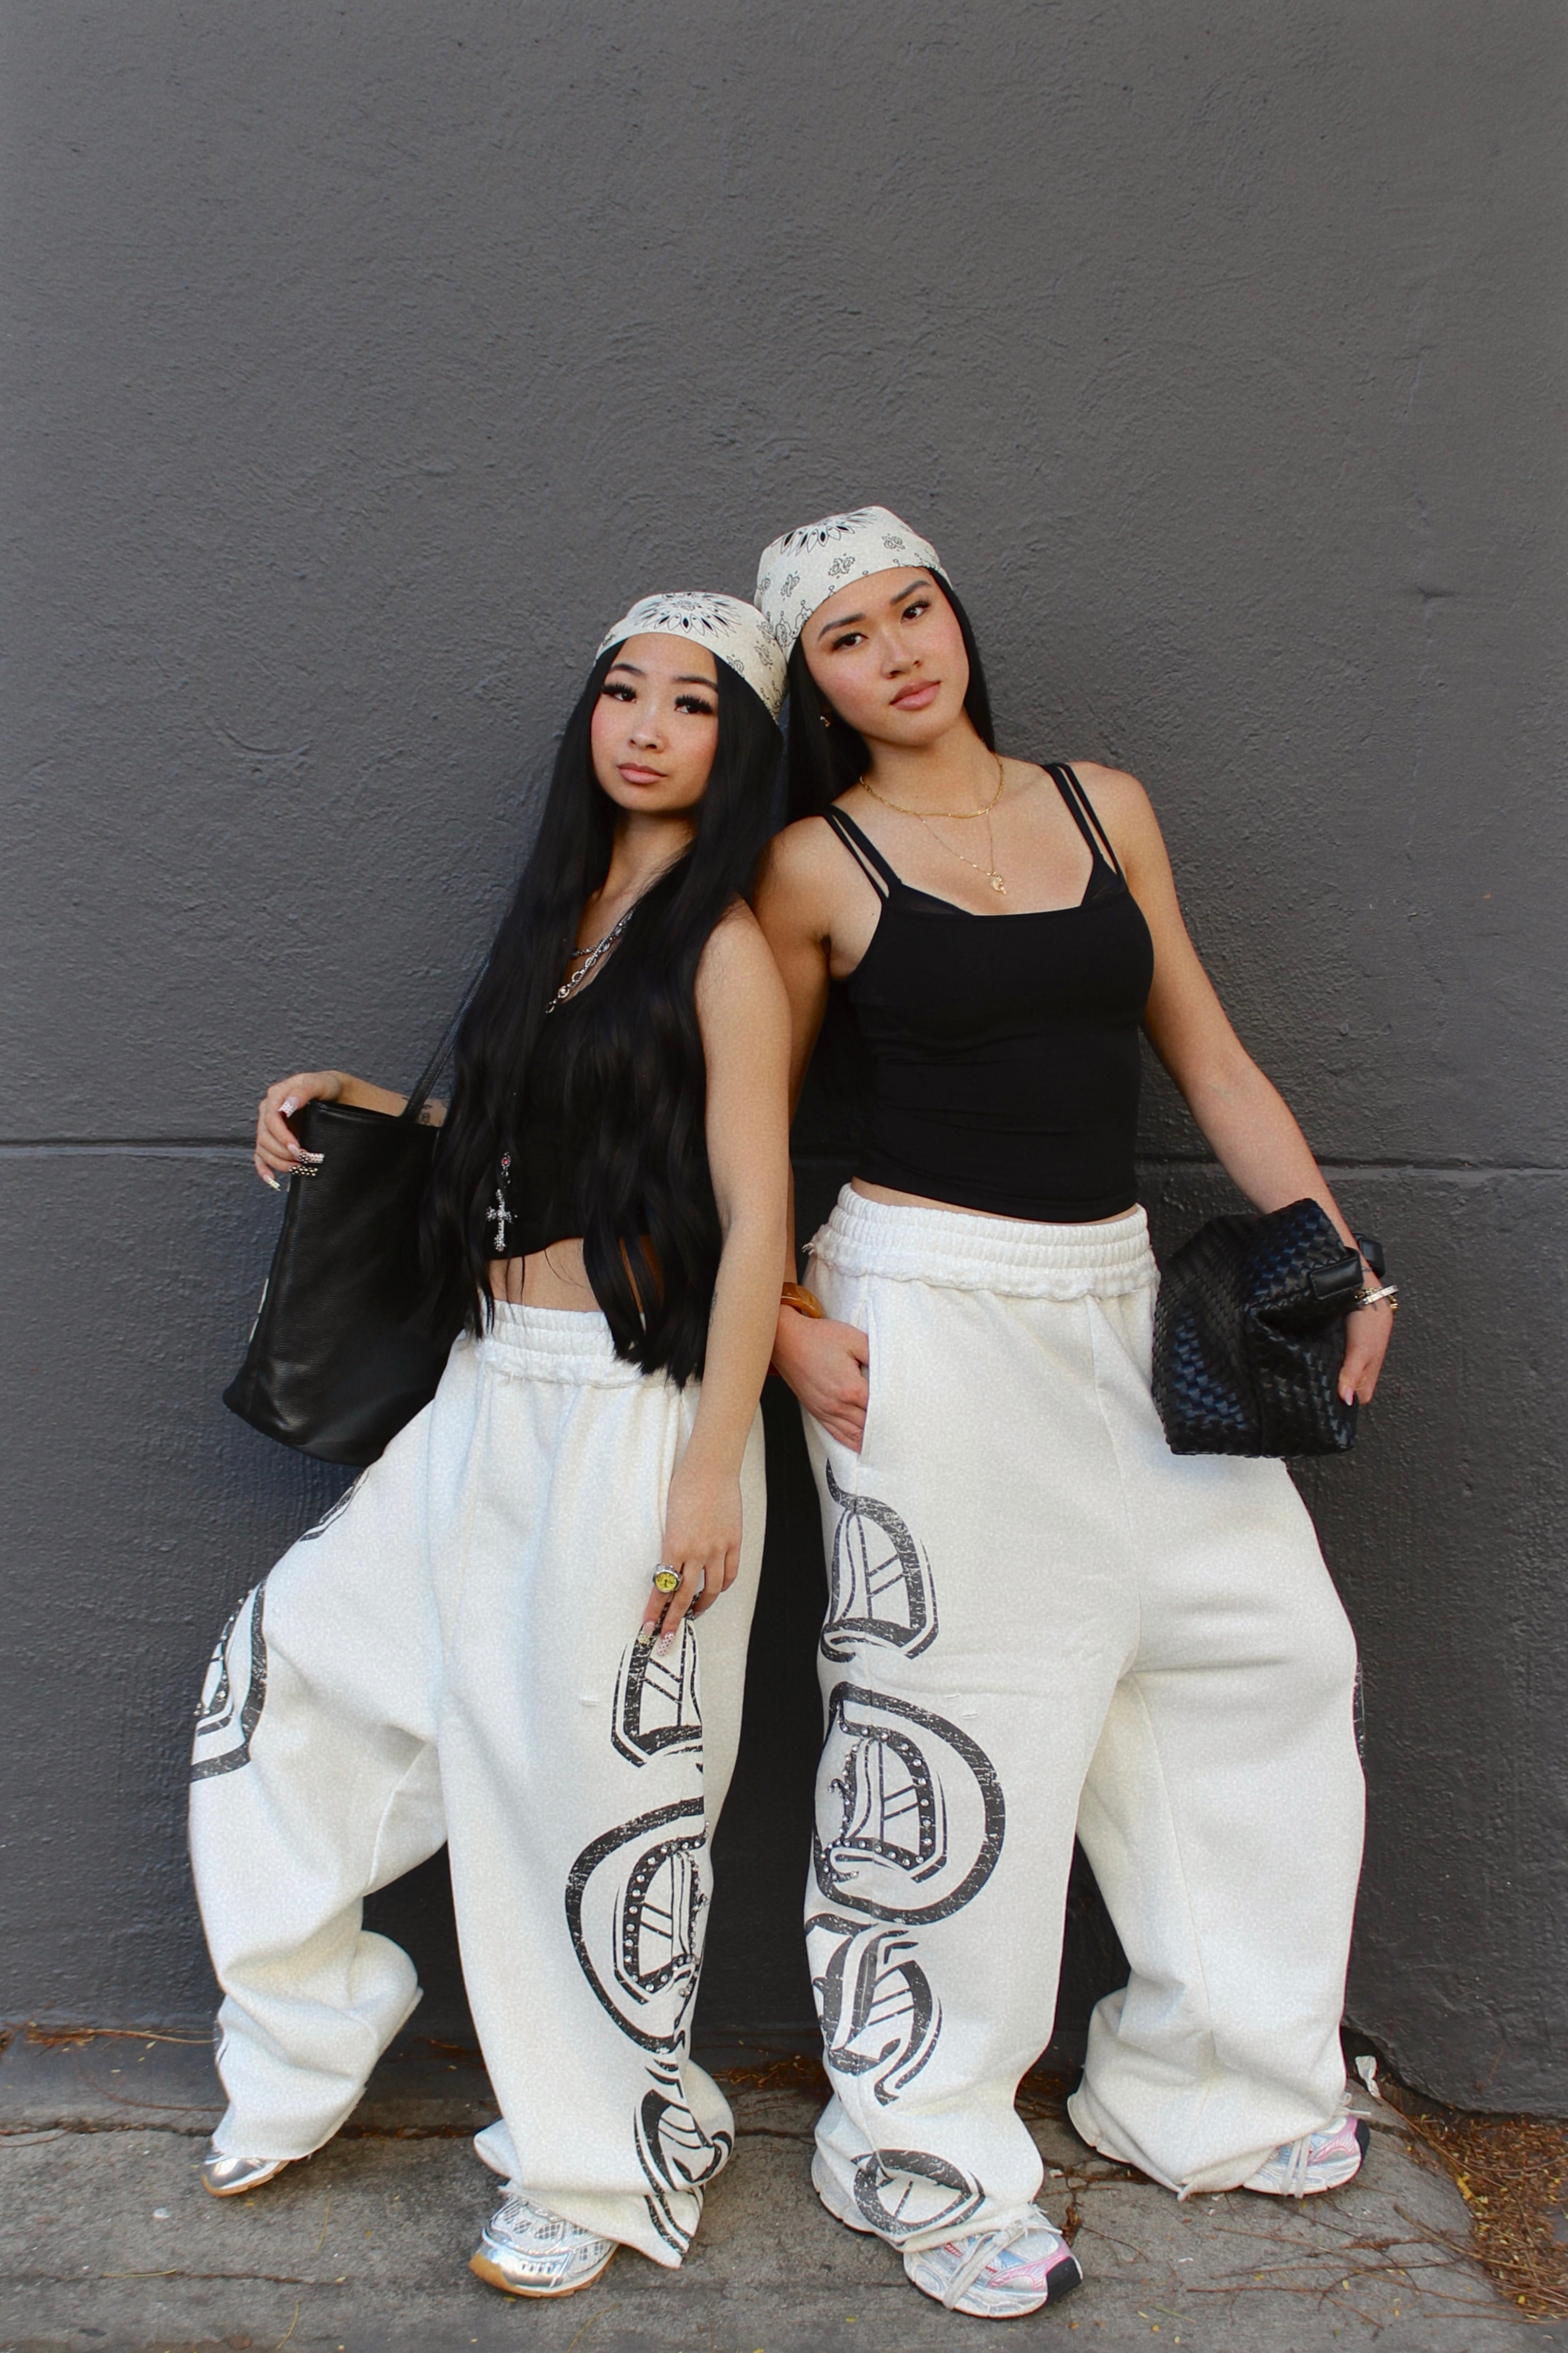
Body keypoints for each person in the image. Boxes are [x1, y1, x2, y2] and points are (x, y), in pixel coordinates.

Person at [751, 507, 1396, 2323]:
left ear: (955, 617)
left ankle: (1212, 2084)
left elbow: (1211, 1058)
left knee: (1259, 1660)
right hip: (924, 1312)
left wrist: (1331, 1256)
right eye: (849, 639)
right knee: (957, 1729)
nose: (897, 652)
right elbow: (746, 1118)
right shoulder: (812, 863)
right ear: (814, 685)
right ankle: (916, 2146)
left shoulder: (1102, 805)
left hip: (1118, 1299)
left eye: (914, 611)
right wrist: (783, 1322)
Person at [189, 592, 791, 2300]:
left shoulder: (722, 947)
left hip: (633, 1410)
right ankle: (308, 2040)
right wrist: (364, 1104)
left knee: (585, 1804)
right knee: (286, 1679)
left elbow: (755, 1219)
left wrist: (705, 1467)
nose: (646, 727)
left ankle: (589, 2164)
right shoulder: (560, 918)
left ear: (737, 748)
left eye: (691, 705)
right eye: (624, 692)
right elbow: (522, 1143)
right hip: (488, 1391)